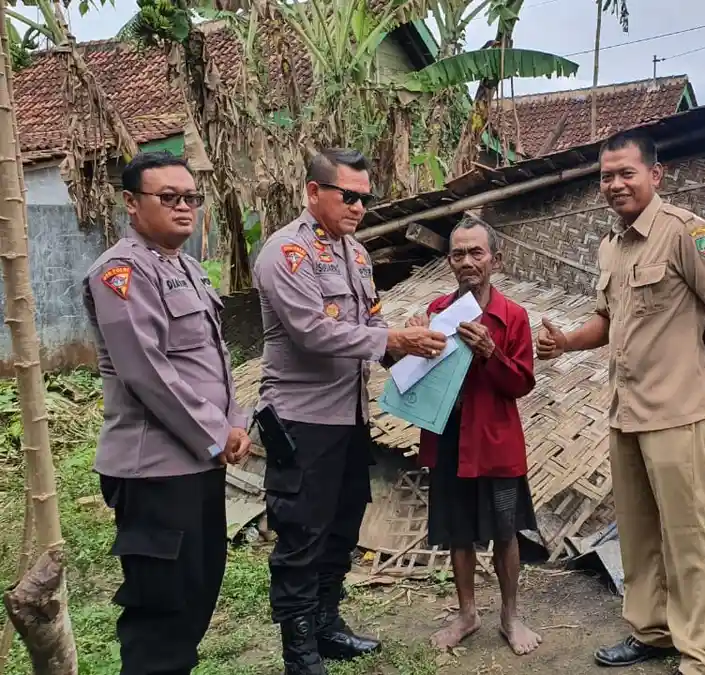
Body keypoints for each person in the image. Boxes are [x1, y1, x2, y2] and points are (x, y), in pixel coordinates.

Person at [536, 130, 705, 675]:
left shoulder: (685, 233)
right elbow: (608, 320)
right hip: (625, 412)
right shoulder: (612, 245)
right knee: (637, 531)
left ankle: (702, 655)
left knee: (690, 535)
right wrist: (564, 343)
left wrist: (704, 363)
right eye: (606, 175)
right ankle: (651, 632)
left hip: (677, 412)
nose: (615, 183)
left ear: (655, 174)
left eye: (626, 172)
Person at [253, 148, 448, 675]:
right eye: (349, 195)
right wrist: (390, 337)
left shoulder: (356, 255)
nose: (360, 206)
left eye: (366, 197)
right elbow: (312, 332)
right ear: (314, 192)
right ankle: (300, 653)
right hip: (302, 419)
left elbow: (373, 327)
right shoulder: (286, 253)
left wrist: (418, 346)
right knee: (301, 534)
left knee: (341, 524)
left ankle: (327, 626)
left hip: (349, 416)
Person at [82, 151, 251, 675]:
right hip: (155, 469)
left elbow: (214, 361)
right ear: (131, 204)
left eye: (190, 198)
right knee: (161, 611)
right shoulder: (119, 272)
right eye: (168, 197)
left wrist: (237, 420)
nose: (184, 207)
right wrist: (216, 432)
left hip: (198, 462)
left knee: (197, 592)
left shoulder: (189, 268)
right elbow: (147, 373)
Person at [406, 216, 541, 656]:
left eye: (476, 252)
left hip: (495, 441)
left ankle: (510, 615)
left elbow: (521, 383)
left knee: (506, 530)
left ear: (495, 260)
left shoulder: (513, 317)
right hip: (448, 438)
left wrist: (491, 353)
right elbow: (416, 381)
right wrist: (408, 346)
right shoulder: (435, 313)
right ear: (449, 261)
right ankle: (466, 613)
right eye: (458, 253)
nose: (467, 261)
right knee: (458, 532)